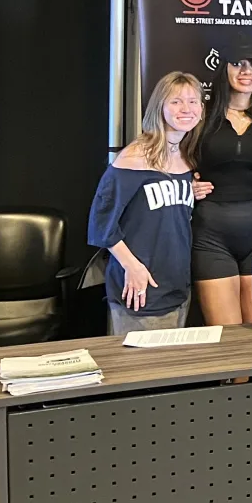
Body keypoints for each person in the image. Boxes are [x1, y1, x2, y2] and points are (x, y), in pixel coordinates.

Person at [88, 71, 208, 334]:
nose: (185, 108)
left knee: (171, 371)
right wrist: (132, 267)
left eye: (192, 101)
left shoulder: (186, 158)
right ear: (159, 107)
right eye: (176, 101)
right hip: (140, 288)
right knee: (140, 370)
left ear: (201, 109)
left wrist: (191, 191)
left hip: (176, 285)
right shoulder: (134, 157)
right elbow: (101, 223)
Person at [190, 41, 252, 326]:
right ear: (223, 68)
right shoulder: (199, 116)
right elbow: (171, 159)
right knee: (228, 341)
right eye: (237, 63)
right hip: (211, 237)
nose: (246, 71)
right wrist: (187, 184)